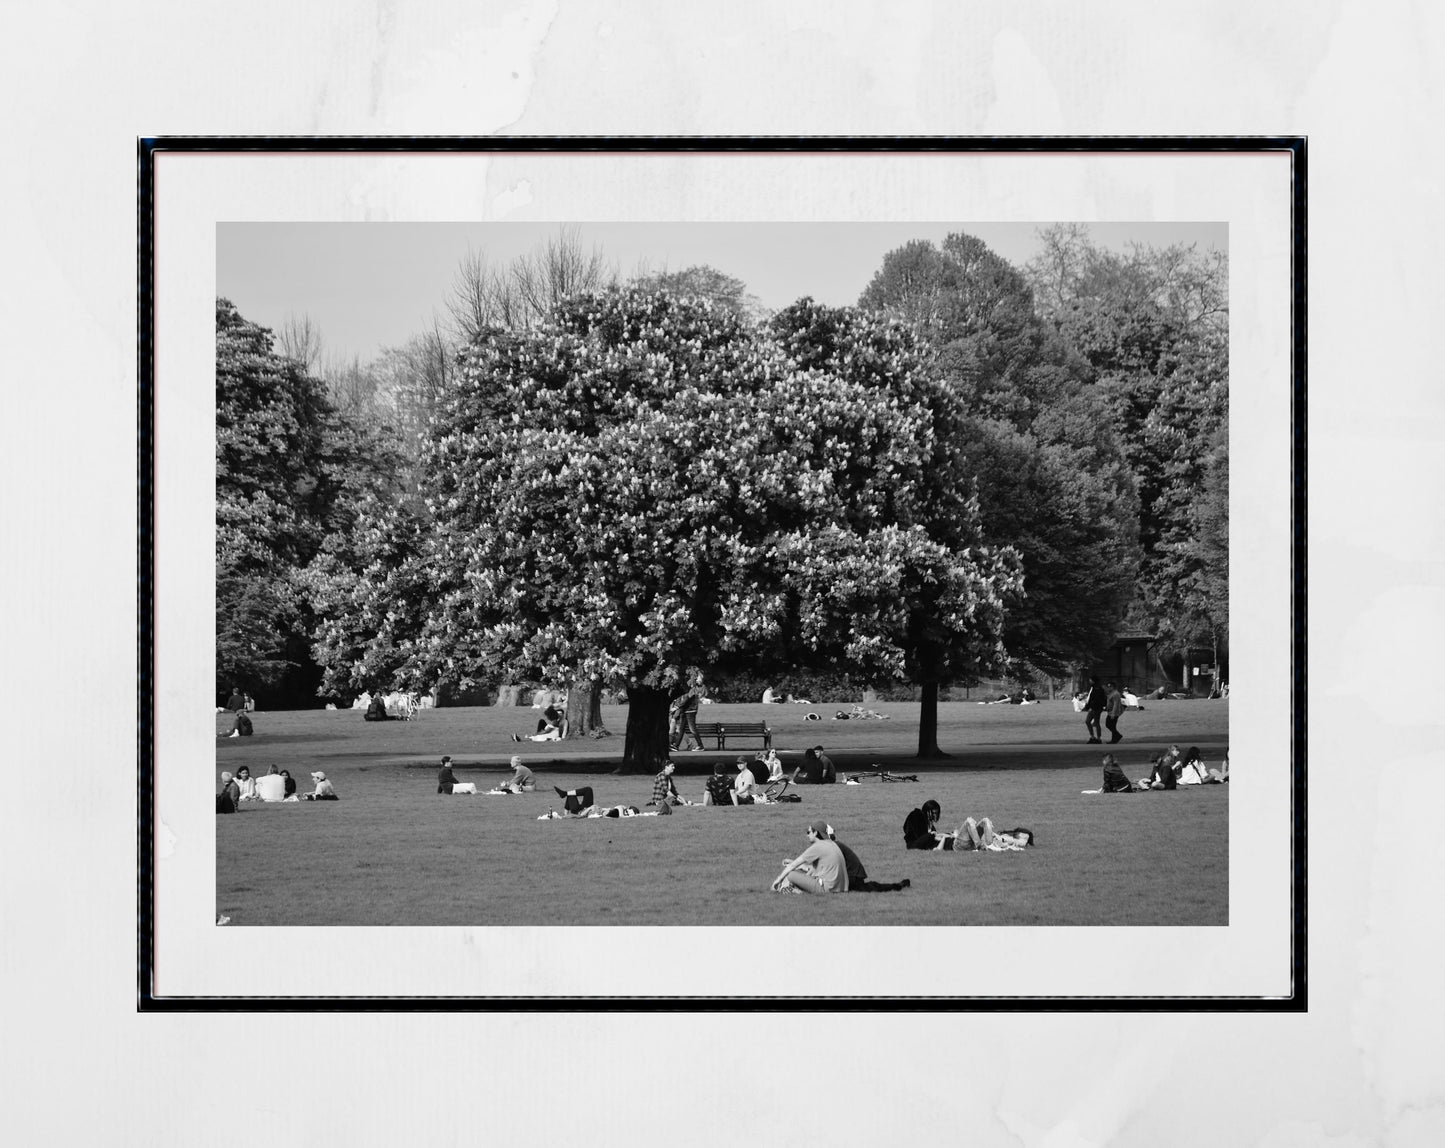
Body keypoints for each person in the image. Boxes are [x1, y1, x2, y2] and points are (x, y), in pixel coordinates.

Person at [770, 821, 849, 894]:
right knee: (804, 874)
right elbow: (813, 870)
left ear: (815, 833)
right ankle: (795, 889)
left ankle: (788, 888)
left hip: (828, 889)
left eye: (809, 832)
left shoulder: (818, 846)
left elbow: (793, 865)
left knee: (790, 874)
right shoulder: (832, 844)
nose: (807, 835)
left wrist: (777, 880)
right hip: (842, 888)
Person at [827, 825, 909, 892]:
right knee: (870, 887)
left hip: (853, 878)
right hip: (853, 876)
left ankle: (896, 886)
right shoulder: (835, 845)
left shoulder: (834, 846)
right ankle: (896, 886)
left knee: (870, 888)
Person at [1080, 677, 1106, 743]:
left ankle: (1098, 738)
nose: (1089, 681)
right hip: (1093, 708)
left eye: (1090, 680)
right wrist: (1088, 706)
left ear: (1094, 681)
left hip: (1097, 708)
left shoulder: (1098, 689)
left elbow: (1096, 699)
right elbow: (1091, 699)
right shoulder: (1094, 688)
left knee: (1096, 723)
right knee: (1087, 721)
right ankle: (1092, 737)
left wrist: (1091, 706)